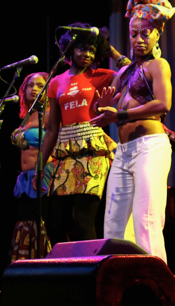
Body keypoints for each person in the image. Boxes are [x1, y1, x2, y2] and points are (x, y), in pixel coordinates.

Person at [90, 0, 175, 262]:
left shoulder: (158, 65)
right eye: (134, 34)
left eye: (146, 33)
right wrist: (101, 106)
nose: (139, 39)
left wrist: (120, 116)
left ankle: (156, 282)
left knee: (146, 221)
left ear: (157, 34)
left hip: (150, 147)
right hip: (123, 152)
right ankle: (122, 282)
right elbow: (107, 110)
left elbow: (163, 104)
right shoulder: (123, 73)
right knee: (114, 226)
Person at [37, 24, 128, 244]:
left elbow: (129, 69)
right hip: (65, 152)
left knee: (82, 220)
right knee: (54, 222)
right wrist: (39, 166)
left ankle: (89, 265)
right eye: (82, 48)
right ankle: (67, 262)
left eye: (92, 50)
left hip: (92, 150)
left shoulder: (103, 76)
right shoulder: (56, 82)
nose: (87, 54)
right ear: (70, 49)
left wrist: (110, 50)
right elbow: (52, 129)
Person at [8, 72, 51, 261]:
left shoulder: (50, 114)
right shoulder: (28, 117)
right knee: (26, 222)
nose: (34, 89)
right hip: (25, 177)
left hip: (42, 174)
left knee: (41, 223)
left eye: (40, 86)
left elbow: (55, 142)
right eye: (30, 85)